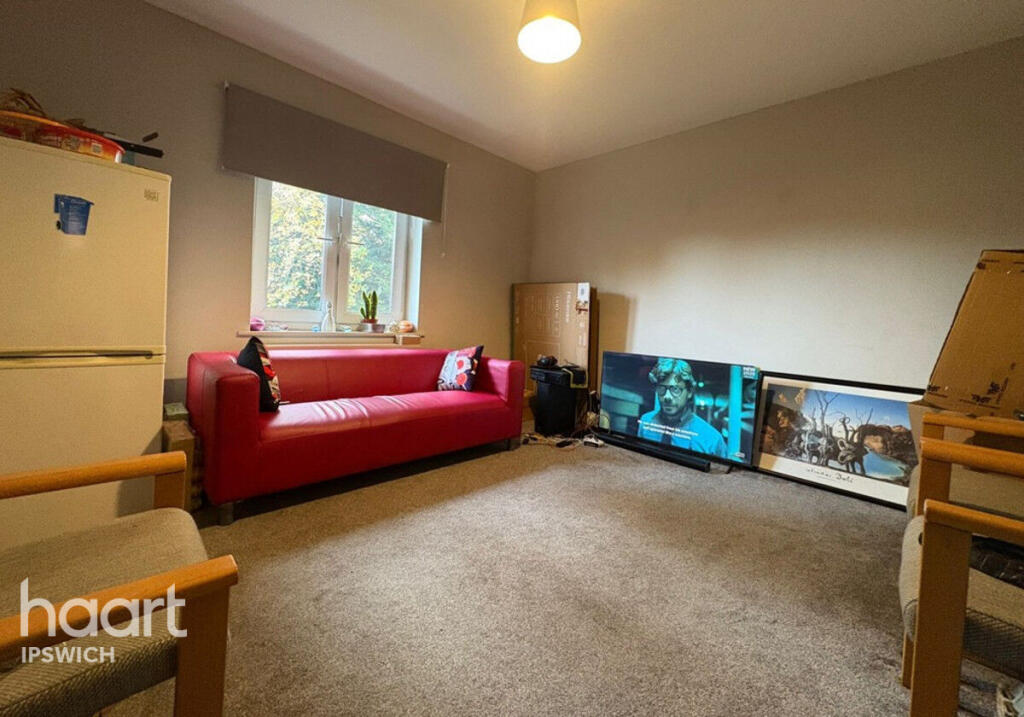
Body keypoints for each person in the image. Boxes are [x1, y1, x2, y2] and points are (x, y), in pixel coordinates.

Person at [637, 358, 727, 458]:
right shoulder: (646, 421)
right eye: (661, 388)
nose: (667, 397)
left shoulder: (712, 439)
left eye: (675, 389)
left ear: (689, 392)